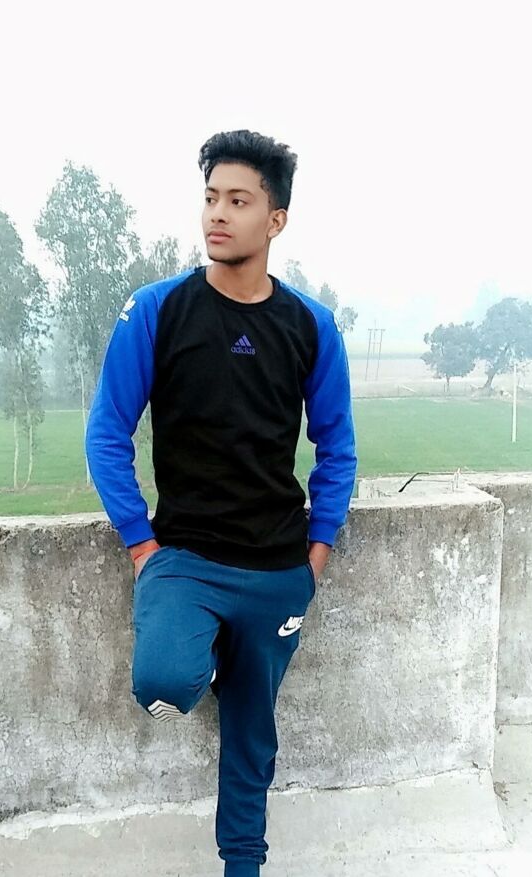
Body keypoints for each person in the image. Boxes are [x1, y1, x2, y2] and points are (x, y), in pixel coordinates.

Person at [84, 129, 357, 877]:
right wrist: (141, 544)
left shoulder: (310, 325)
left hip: (278, 568)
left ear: (276, 220)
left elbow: (338, 447)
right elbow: (108, 431)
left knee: (251, 733)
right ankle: (202, 650)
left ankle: (243, 863)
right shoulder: (157, 310)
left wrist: (317, 554)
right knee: (165, 683)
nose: (217, 214)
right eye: (211, 198)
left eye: (239, 200)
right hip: (185, 559)